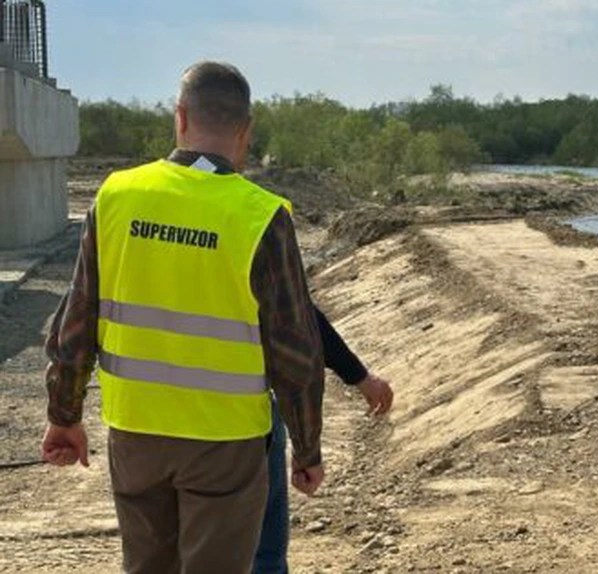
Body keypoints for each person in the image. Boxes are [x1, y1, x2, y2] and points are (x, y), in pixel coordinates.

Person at [41, 61, 326, 573]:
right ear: (246, 130)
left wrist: (64, 415)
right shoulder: (261, 216)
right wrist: (306, 449)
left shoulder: (116, 196)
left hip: (135, 433)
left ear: (180, 116)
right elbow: (294, 351)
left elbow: (76, 323)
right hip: (226, 442)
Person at [254, 311, 394, 574]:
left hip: (154, 428)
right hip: (237, 422)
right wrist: (306, 450)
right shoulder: (250, 266)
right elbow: (295, 319)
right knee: (263, 553)